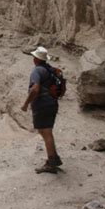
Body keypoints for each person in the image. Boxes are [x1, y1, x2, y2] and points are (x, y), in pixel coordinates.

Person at [21, 46, 62, 174]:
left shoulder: (37, 71)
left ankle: (51, 163)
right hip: (52, 104)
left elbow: (35, 89)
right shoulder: (49, 69)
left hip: (42, 105)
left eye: (34, 57)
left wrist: (26, 104)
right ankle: (54, 159)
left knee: (45, 133)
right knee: (47, 132)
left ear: (36, 59)